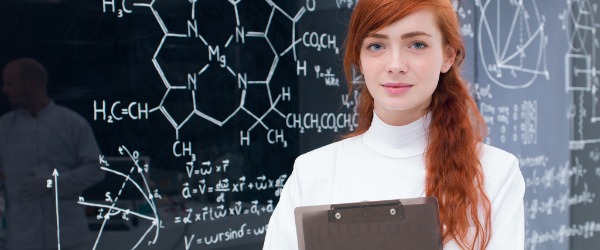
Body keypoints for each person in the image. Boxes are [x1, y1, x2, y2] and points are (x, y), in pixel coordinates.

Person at [263, 0, 525, 249]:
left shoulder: (495, 173)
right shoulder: (312, 173)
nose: (395, 65)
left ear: (448, 56)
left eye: (417, 45)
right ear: (359, 58)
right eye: (377, 46)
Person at [0, 58, 105, 250]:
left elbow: (96, 169)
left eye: (10, 84)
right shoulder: (4, 129)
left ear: (30, 85)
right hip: (21, 240)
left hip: (68, 239)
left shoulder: (72, 124)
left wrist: (53, 184)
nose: (5, 90)